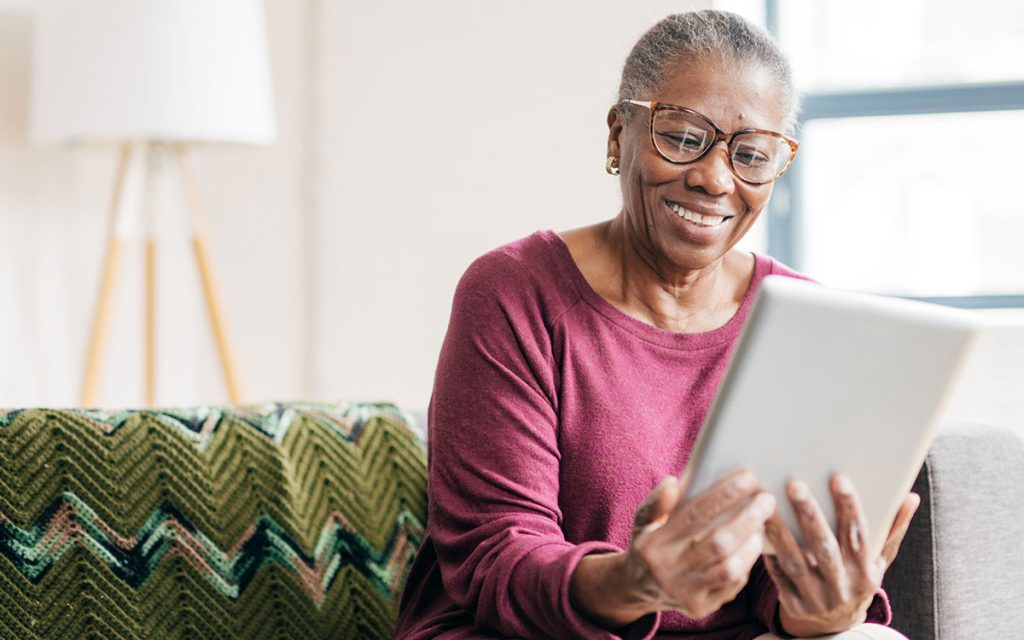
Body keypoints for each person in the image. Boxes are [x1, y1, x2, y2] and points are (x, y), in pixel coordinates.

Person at [394, 10, 919, 640]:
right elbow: (496, 560)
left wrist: (822, 608)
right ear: (620, 135)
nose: (715, 178)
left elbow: (781, 582)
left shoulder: (800, 317)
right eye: (683, 136)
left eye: (751, 154)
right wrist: (635, 581)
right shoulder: (513, 292)